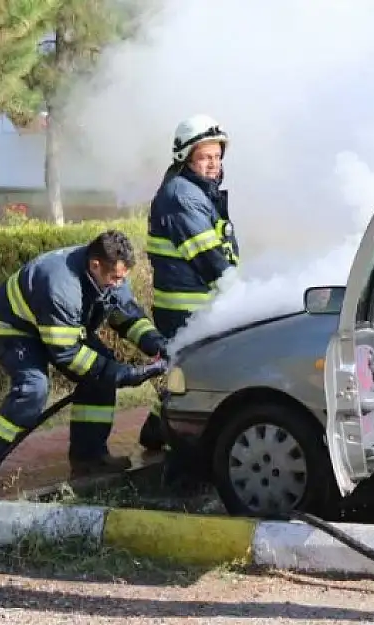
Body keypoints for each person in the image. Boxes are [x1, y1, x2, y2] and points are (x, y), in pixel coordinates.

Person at [0, 230, 170, 499]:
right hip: (14, 328)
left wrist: (157, 343)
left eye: (123, 278)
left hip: (59, 327)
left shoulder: (109, 275)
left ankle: (89, 458)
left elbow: (125, 316)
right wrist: (121, 373)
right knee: (33, 390)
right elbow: (68, 354)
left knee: (101, 374)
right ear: (95, 265)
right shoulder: (61, 285)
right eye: (115, 278)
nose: (119, 284)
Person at [139, 114, 240, 452]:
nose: (213, 164)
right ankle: (179, 452)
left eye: (217, 155)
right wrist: (239, 293)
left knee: (179, 377)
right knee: (189, 379)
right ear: (185, 157)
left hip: (195, 305)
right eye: (204, 157)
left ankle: (156, 432)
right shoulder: (181, 197)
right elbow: (207, 258)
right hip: (185, 309)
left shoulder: (196, 191)